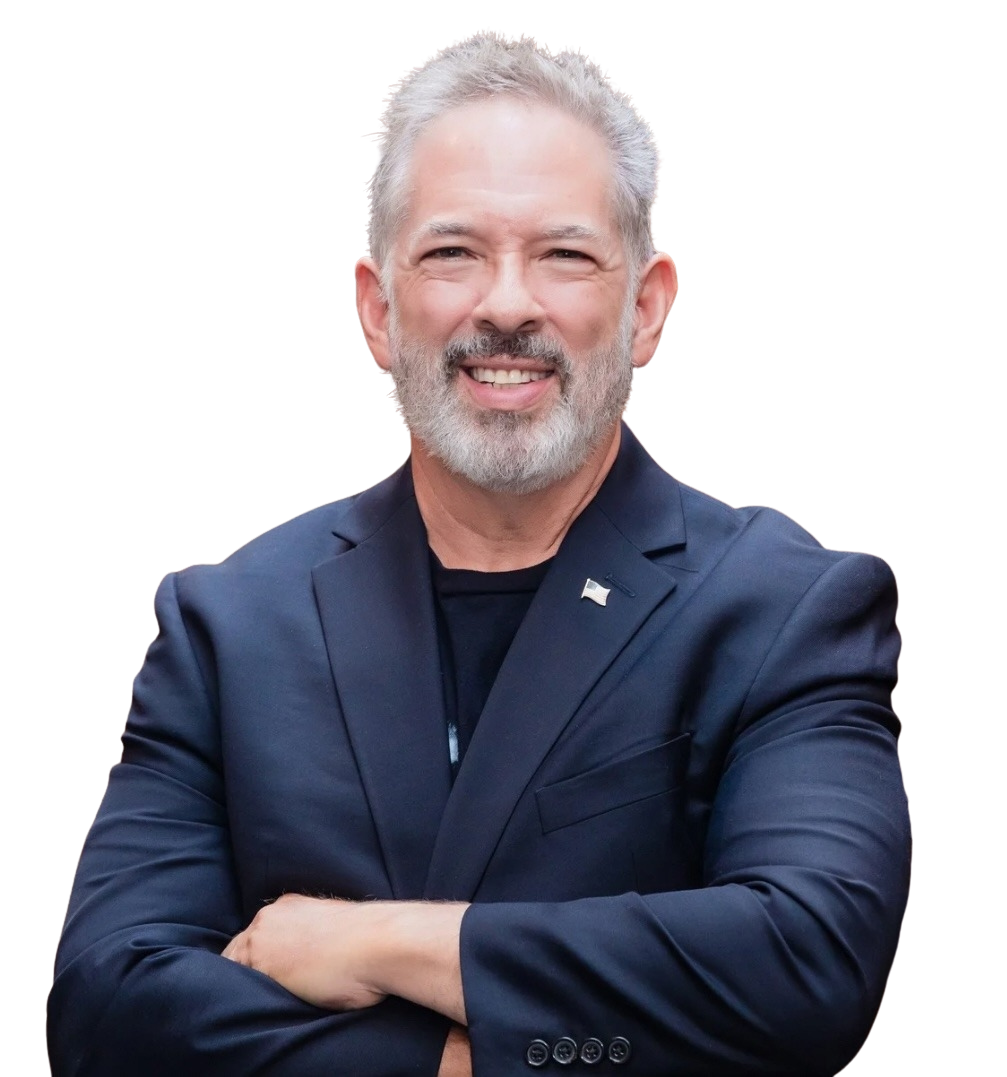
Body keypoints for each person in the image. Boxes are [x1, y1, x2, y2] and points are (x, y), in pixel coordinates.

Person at [49, 29, 910, 1076]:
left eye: (563, 255)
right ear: (377, 310)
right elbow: (106, 1007)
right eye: (452, 253)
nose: (506, 304)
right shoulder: (227, 624)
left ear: (643, 307)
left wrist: (376, 942)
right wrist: (450, 1057)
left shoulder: (784, 607)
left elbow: (805, 962)